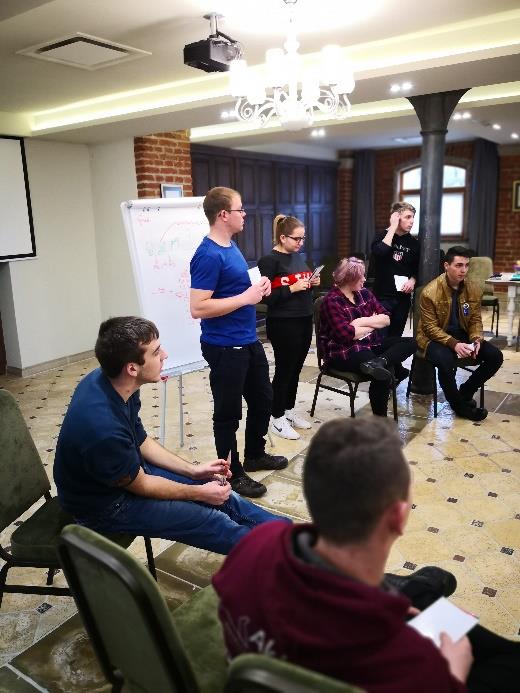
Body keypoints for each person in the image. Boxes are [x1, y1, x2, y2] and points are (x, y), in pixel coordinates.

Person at [213, 417, 520, 693]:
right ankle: (422, 586)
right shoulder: (414, 665)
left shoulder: (256, 544)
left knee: (420, 594)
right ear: (398, 517)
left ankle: (417, 587)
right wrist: (453, 671)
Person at [53, 317, 286, 555]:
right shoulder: (103, 429)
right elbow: (141, 485)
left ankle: (287, 535)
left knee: (218, 490)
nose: (164, 355)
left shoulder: (116, 382)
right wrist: (199, 493)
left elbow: (141, 440)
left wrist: (194, 472)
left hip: (130, 474)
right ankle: (281, 558)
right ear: (132, 368)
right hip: (104, 507)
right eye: (156, 352)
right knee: (211, 520)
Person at [190, 187, 288, 499]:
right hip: (224, 345)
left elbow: (233, 289)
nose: (244, 214)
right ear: (223, 215)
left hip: (246, 339)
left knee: (263, 400)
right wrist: (246, 297)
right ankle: (231, 474)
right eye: (240, 209)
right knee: (228, 413)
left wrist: (257, 288)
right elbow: (198, 307)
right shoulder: (207, 255)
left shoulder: (230, 245)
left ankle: (255, 454)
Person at [319, 256, 416, 416]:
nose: (364, 279)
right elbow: (346, 335)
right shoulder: (332, 301)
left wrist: (360, 322)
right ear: (349, 278)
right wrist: (372, 324)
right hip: (342, 352)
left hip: (369, 344)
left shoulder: (364, 293)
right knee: (384, 374)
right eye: (361, 276)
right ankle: (380, 420)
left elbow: (386, 319)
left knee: (411, 342)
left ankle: (379, 361)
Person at [417, 246, 503, 422]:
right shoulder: (430, 292)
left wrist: (477, 339)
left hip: (461, 334)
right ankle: (460, 406)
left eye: (466, 265)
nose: (463, 270)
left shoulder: (473, 288)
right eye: (458, 265)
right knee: (445, 360)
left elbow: (475, 320)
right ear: (446, 266)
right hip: (433, 337)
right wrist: (454, 344)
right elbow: (430, 328)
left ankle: (465, 391)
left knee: (495, 356)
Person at [257, 214, 319, 441]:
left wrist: (312, 284)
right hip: (283, 322)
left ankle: (288, 411)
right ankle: (276, 417)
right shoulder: (269, 261)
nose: (301, 243)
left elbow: (303, 287)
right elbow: (264, 297)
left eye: (303, 238)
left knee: (296, 370)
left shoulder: (297, 257)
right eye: (297, 239)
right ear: (283, 237)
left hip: (304, 319)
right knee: (284, 370)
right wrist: (292, 289)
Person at [371, 201, 420, 341]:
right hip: (382, 296)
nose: (412, 221)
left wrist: (413, 280)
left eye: (413, 217)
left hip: (402, 298)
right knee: (379, 337)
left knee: (395, 337)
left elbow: (417, 268)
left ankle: (393, 356)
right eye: (408, 217)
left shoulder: (414, 243)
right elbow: (380, 252)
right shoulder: (382, 236)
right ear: (396, 217)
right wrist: (393, 227)